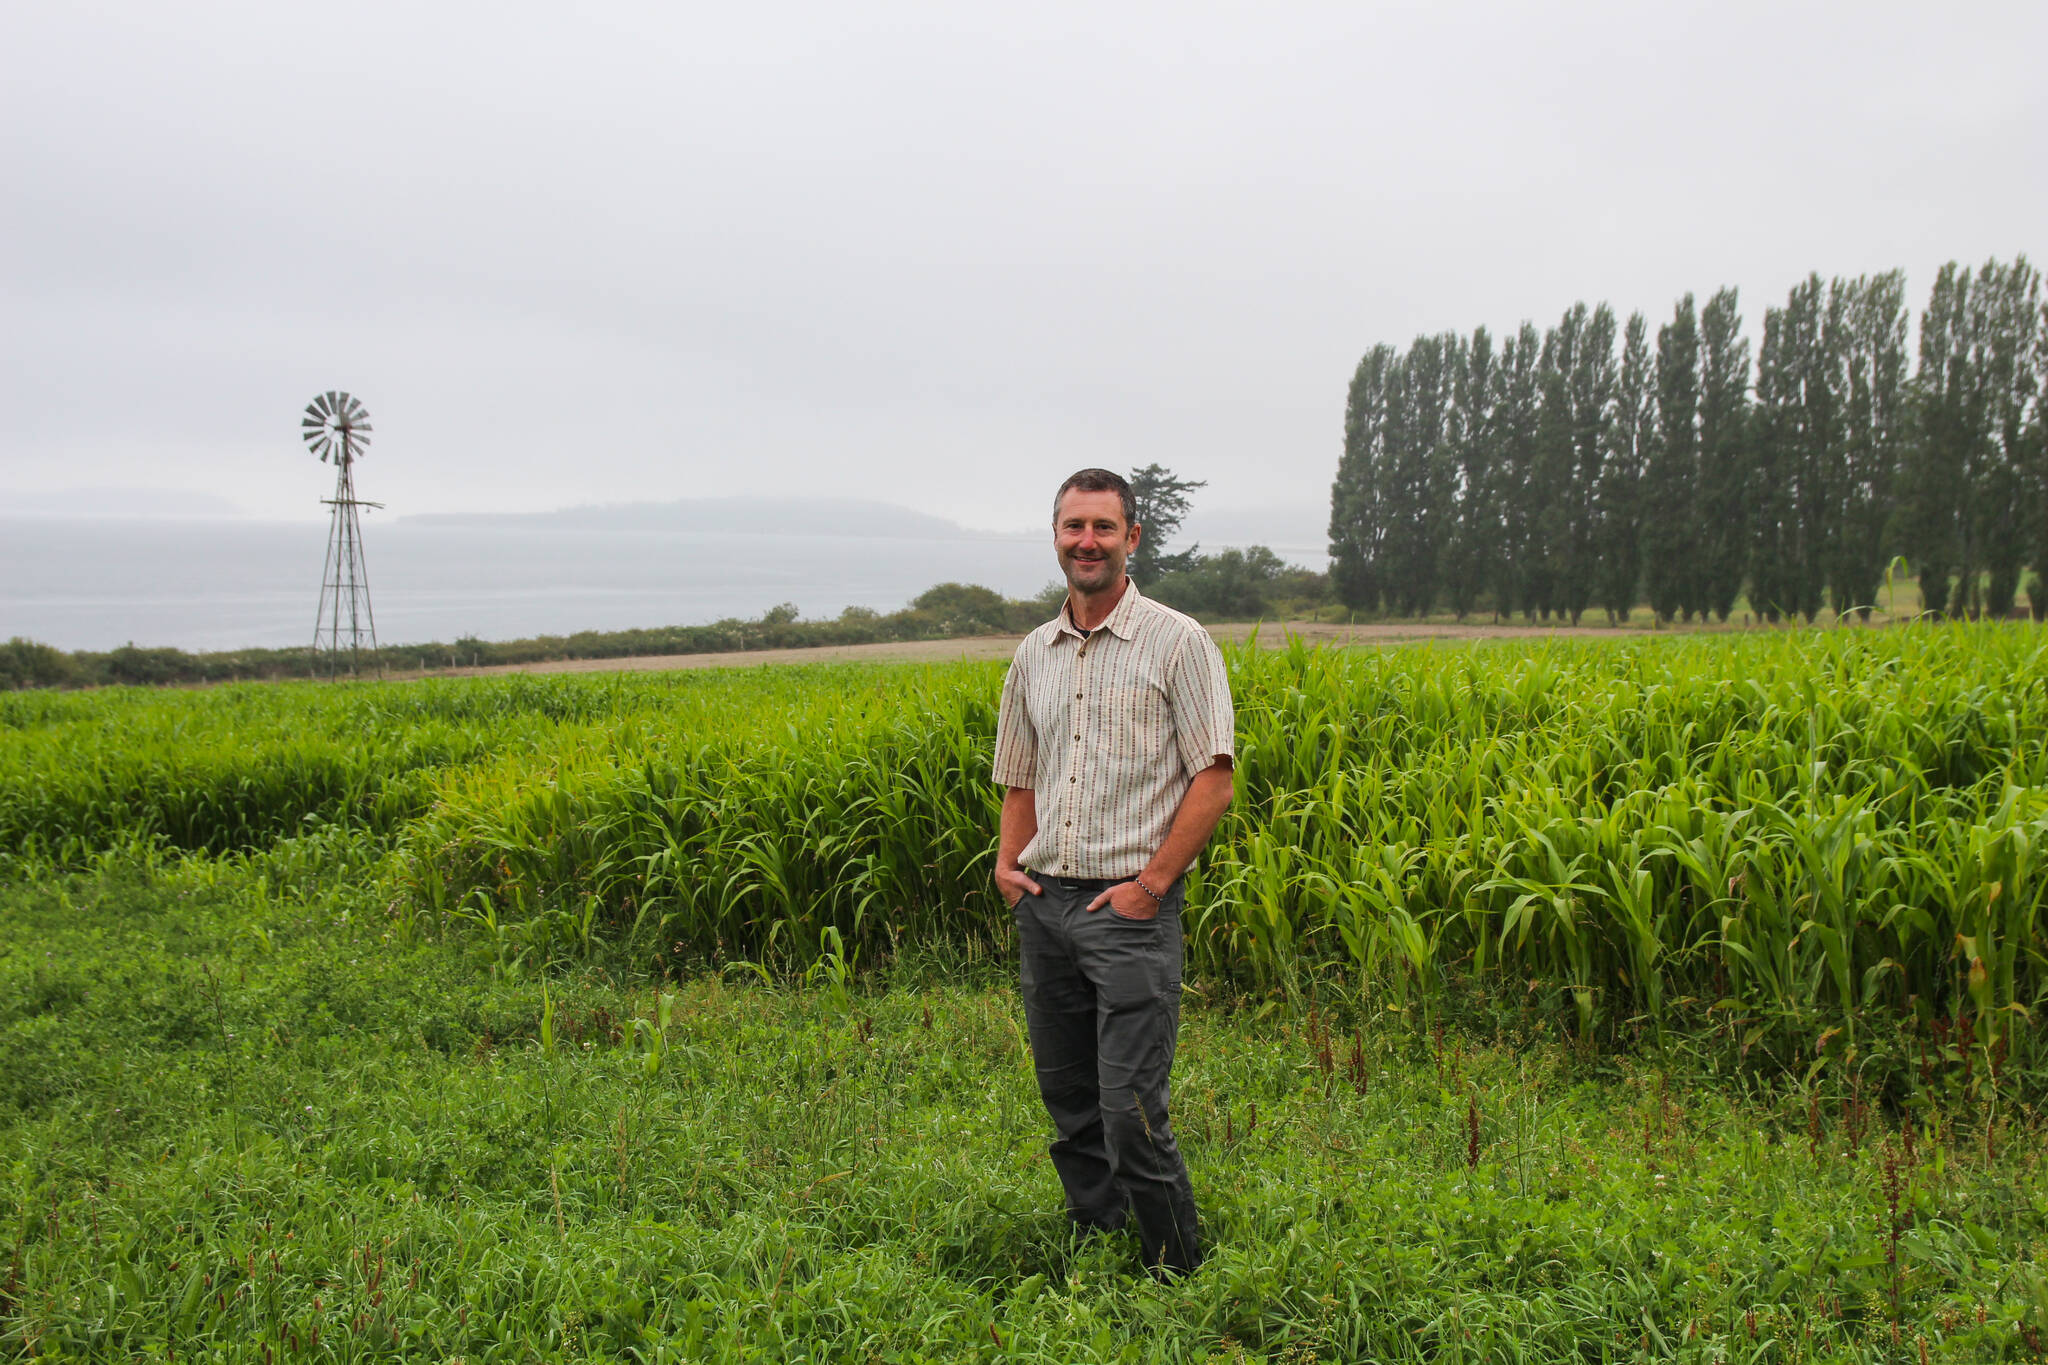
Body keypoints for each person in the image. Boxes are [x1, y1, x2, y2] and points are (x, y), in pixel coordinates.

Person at [990, 466, 1235, 1276]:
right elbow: (1020, 773)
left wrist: (1152, 885)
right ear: (1056, 537)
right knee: (1069, 1103)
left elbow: (1214, 777)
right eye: (1072, 527)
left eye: (1102, 526)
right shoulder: (1034, 654)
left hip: (1128, 911)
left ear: (1132, 537)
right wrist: (1006, 864)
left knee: (1130, 1107)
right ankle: (1097, 1234)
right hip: (1046, 909)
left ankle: (1174, 1265)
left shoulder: (1178, 640)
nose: (1085, 541)